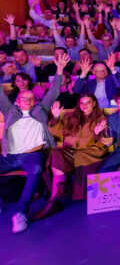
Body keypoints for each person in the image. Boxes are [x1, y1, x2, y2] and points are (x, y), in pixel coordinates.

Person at [0, 53, 69, 233]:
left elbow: (54, 91)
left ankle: (20, 213)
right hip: (10, 156)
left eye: (31, 98)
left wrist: (60, 69)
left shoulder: (40, 110)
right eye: (24, 98)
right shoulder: (10, 111)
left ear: (35, 101)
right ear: (17, 101)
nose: (27, 101)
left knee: (37, 169)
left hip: (32, 154)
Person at [32, 94, 108, 220]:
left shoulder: (100, 118)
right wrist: (55, 117)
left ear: (94, 103)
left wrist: (96, 133)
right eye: (82, 103)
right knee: (56, 154)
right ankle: (55, 199)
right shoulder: (71, 116)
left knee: (70, 157)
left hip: (90, 153)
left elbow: (104, 142)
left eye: (88, 102)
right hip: (72, 150)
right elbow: (57, 131)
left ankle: (56, 198)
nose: (84, 105)